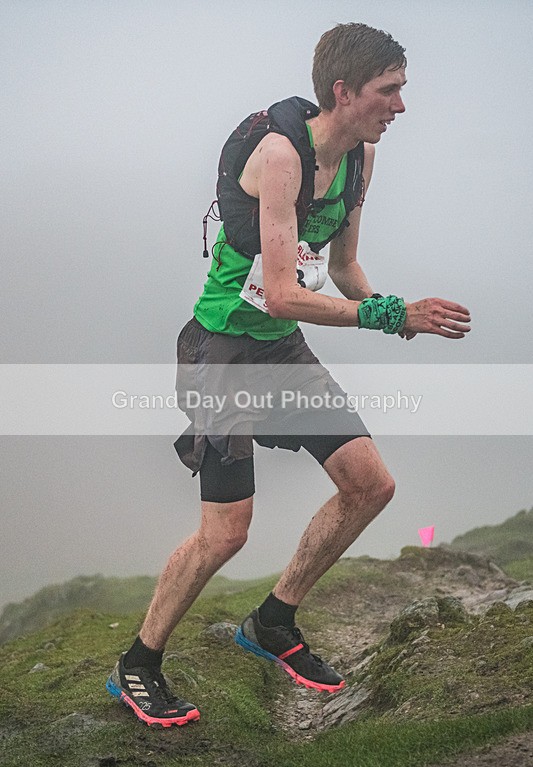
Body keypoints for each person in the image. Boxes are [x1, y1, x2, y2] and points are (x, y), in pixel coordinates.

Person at [106, 22, 471, 727]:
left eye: (401, 90)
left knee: (370, 485)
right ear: (343, 91)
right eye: (387, 91)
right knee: (225, 533)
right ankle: (137, 664)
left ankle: (273, 622)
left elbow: (339, 271)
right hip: (222, 353)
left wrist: (398, 314)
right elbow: (279, 292)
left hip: (279, 349)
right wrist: (392, 312)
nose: (399, 106)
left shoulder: (361, 159)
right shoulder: (279, 155)